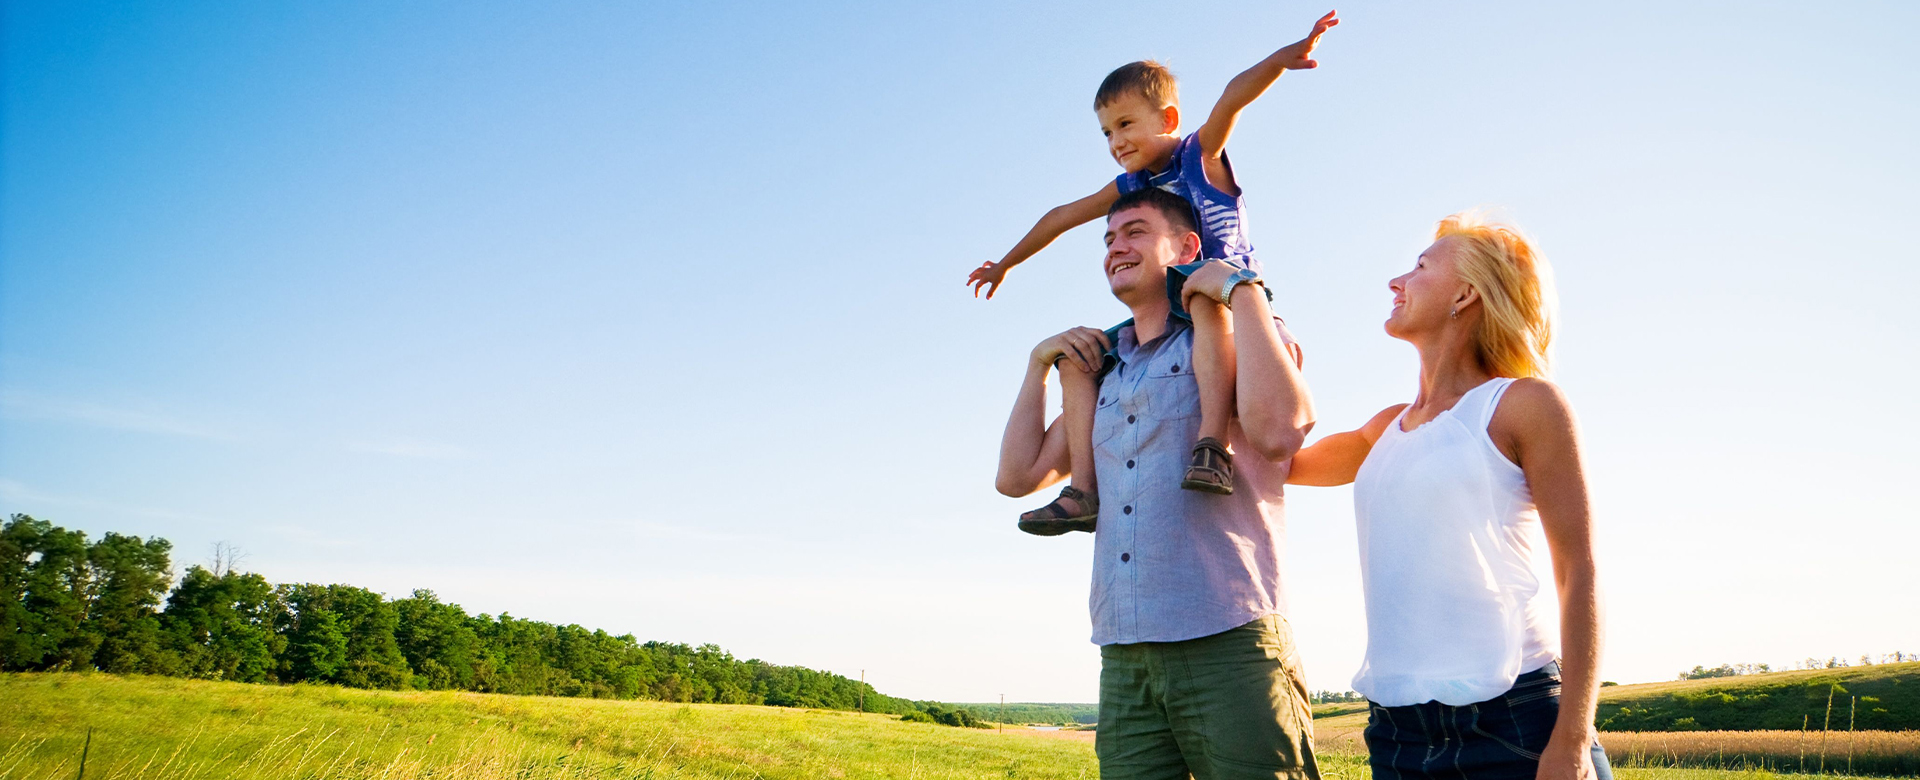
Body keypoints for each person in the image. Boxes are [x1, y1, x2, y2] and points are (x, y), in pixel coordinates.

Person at [994, 187, 1320, 780]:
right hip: (1124, 650)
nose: (1116, 247)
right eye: (1108, 239)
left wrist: (1241, 291)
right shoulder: (1104, 372)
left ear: (1188, 247)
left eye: (1136, 231)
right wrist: (1038, 364)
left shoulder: (1235, 332)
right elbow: (1016, 478)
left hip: (1228, 636)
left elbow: (1281, 432)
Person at [974, 12, 1339, 534]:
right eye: (1106, 132)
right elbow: (1062, 215)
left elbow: (1231, 98)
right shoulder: (1131, 185)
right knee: (1080, 359)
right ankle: (1083, 491)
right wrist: (1006, 263)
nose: (1115, 141)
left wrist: (1282, 59)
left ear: (1167, 119)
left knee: (1201, 297)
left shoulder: (1198, 156)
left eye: (1125, 125)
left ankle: (1211, 443)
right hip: (1169, 309)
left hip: (1225, 293)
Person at [1287, 213, 1611, 780]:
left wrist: (1573, 738)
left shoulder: (1524, 405)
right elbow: (1271, 463)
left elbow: (1578, 570)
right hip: (1397, 732)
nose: (1396, 281)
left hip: (1514, 718)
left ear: (1465, 295)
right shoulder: (1385, 429)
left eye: (1419, 267)